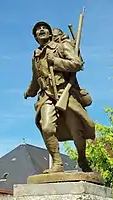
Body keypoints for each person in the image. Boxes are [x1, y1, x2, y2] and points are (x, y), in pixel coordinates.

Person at [24, 21, 95, 174]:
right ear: (35, 37)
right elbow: (36, 79)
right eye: (37, 29)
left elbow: (77, 64)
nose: (41, 30)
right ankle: (57, 164)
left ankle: (82, 158)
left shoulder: (61, 46)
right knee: (47, 127)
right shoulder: (36, 56)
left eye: (44, 28)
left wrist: (55, 61)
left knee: (76, 131)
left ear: (50, 33)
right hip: (46, 96)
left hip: (65, 93)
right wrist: (29, 92)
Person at [52, 28, 92, 108]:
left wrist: (54, 61)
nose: (54, 39)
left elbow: (78, 64)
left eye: (55, 36)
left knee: (76, 108)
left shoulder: (65, 44)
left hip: (68, 84)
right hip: (55, 87)